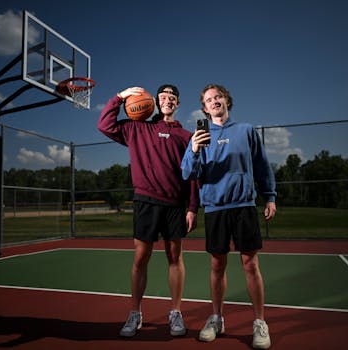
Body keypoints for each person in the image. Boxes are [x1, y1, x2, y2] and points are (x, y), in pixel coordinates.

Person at [97, 84, 199, 338]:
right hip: (146, 201)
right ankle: (135, 312)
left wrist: (193, 207)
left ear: (177, 104)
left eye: (172, 98)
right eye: (163, 97)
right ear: (154, 101)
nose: (167, 100)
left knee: (175, 257)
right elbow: (105, 125)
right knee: (140, 258)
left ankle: (175, 312)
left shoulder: (186, 136)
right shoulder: (136, 128)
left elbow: (194, 175)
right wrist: (120, 97)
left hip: (175, 204)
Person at [181, 84, 276, 349]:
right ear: (204, 108)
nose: (214, 101)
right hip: (214, 208)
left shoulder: (246, 130)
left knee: (250, 264)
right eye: (208, 99)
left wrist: (270, 195)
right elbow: (188, 173)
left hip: (244, 205)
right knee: (217, 265)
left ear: (226, 101)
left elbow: (262, 165)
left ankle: (260, 322)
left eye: (218, 97)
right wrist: (196, 149)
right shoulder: (198, 136)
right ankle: (217, 318)